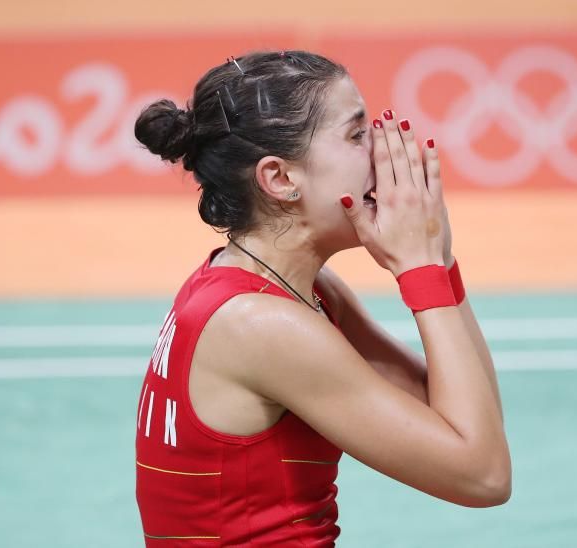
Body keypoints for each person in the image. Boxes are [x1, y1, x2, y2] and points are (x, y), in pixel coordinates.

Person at [132, 50, 510, 547]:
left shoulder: (289, 290)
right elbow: (483, 476)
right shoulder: (258, 324)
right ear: (281, 179)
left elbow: (469, 420)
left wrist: (436, 260)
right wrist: (420, 271)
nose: (383, 150)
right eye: (356, 135)